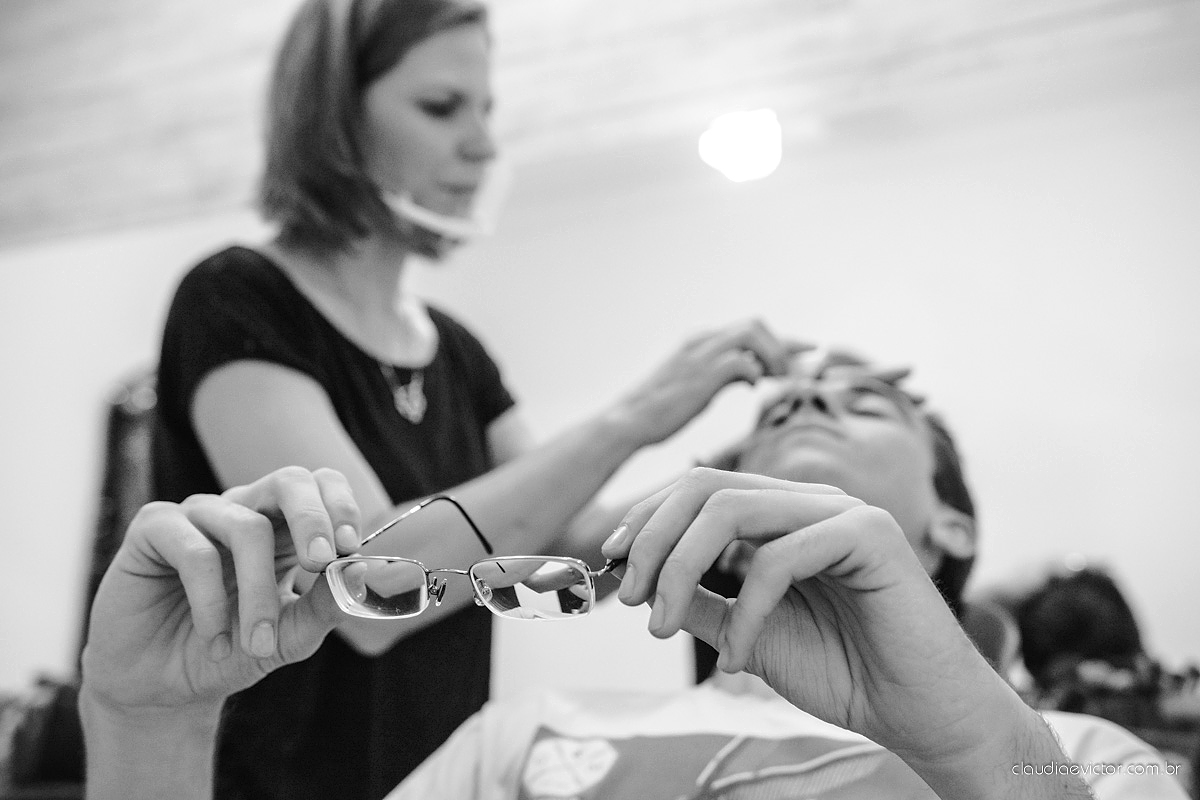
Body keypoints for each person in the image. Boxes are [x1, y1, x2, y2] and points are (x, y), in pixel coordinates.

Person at [151, 0, 795, 796]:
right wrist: (637, 417)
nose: (483, 145)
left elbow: (566, 565)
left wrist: (745, 470)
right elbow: (368, 592)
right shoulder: (236, 300)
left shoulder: (457, 353)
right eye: (441, 106)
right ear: (333, 117)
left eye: (486, 110)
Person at [83, 363, 1187, 799]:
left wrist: (973, 747)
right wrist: (147, 727)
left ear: (951, 523)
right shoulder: (525, 737)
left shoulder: (1072, 757)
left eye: (863, 401)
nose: (805, 401)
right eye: (777, 408)